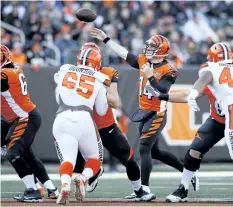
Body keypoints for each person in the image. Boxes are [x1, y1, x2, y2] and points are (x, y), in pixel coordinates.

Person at [90, 28, 198, 198]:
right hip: (144, 112)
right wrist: (106, 39)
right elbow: (124, 53)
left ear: (161, 51)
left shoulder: (169, 70)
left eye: (152, 46)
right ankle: (187, 171)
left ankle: (144, 189)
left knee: (144, 148)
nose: (147, 48)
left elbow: (163, 92)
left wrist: (151, 77)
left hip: (157, 113)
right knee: (155, 152)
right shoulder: (144, 61)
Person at [143, 42, 232, 202]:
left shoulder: (209, 70)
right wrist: (163, 96)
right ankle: (183, 189)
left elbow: (193, 91)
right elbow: (189, 94)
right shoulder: (215, 75)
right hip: (218, 120)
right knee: (194, 151)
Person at [73, 42, 155, 202]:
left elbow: (115, 102)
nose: (83, 66)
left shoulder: (108, 73)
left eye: (87, 63)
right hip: (84, 126)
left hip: (105, 125)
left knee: (129, 159)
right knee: (73, 161)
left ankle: (138, 190)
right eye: (81, 62)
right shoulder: (72, 74)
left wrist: (99, 84)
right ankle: (94, 171)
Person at [53, 46, 111, 205]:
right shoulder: (100, 78)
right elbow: (100, 110)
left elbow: (58, 97)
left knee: (68, 160)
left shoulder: (65, 69)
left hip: (62, 117)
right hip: (84, 119)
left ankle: (65, 184)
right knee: (94, 160)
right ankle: (83, 178)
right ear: (97, 62)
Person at [0, 45, 58, 202]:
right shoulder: (13, 68)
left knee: (13, 153)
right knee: (28, 155)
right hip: (19, 118)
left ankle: (33, 190)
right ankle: (50, 188)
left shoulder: (5, 74)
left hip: (24, 118)